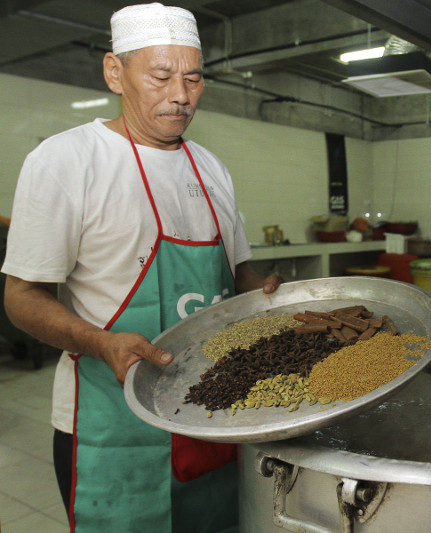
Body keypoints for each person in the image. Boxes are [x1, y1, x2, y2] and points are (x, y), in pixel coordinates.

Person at [1, 3, 282, 531]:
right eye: (160, 76)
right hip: (113, 426)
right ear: (114, 72)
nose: (180, 95)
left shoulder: (212, 168)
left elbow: (239, 274)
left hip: (213, 411)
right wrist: (103, 343)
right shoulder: (67, 161)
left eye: (194, 79)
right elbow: (20, 296)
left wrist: (269, 295)